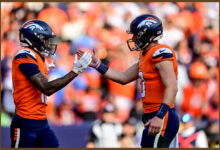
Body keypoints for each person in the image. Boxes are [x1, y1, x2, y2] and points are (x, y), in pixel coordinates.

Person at [78, 14, 179, 148]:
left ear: (147, 34)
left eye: (136, 34)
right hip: (153, 116)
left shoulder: (160, 52)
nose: (133, 38)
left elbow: (172, 86)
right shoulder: (146, 55)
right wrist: (98, 65)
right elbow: (124, 77)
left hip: (162, 116)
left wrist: (159, 116)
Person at [10, 19, 92, 148]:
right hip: (26, 121)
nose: (47, 43)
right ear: (34, 38)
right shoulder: (24, 55)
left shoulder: (39, 57)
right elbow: (46, 88)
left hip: (41, 121)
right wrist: (75, 71)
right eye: (44, 39)